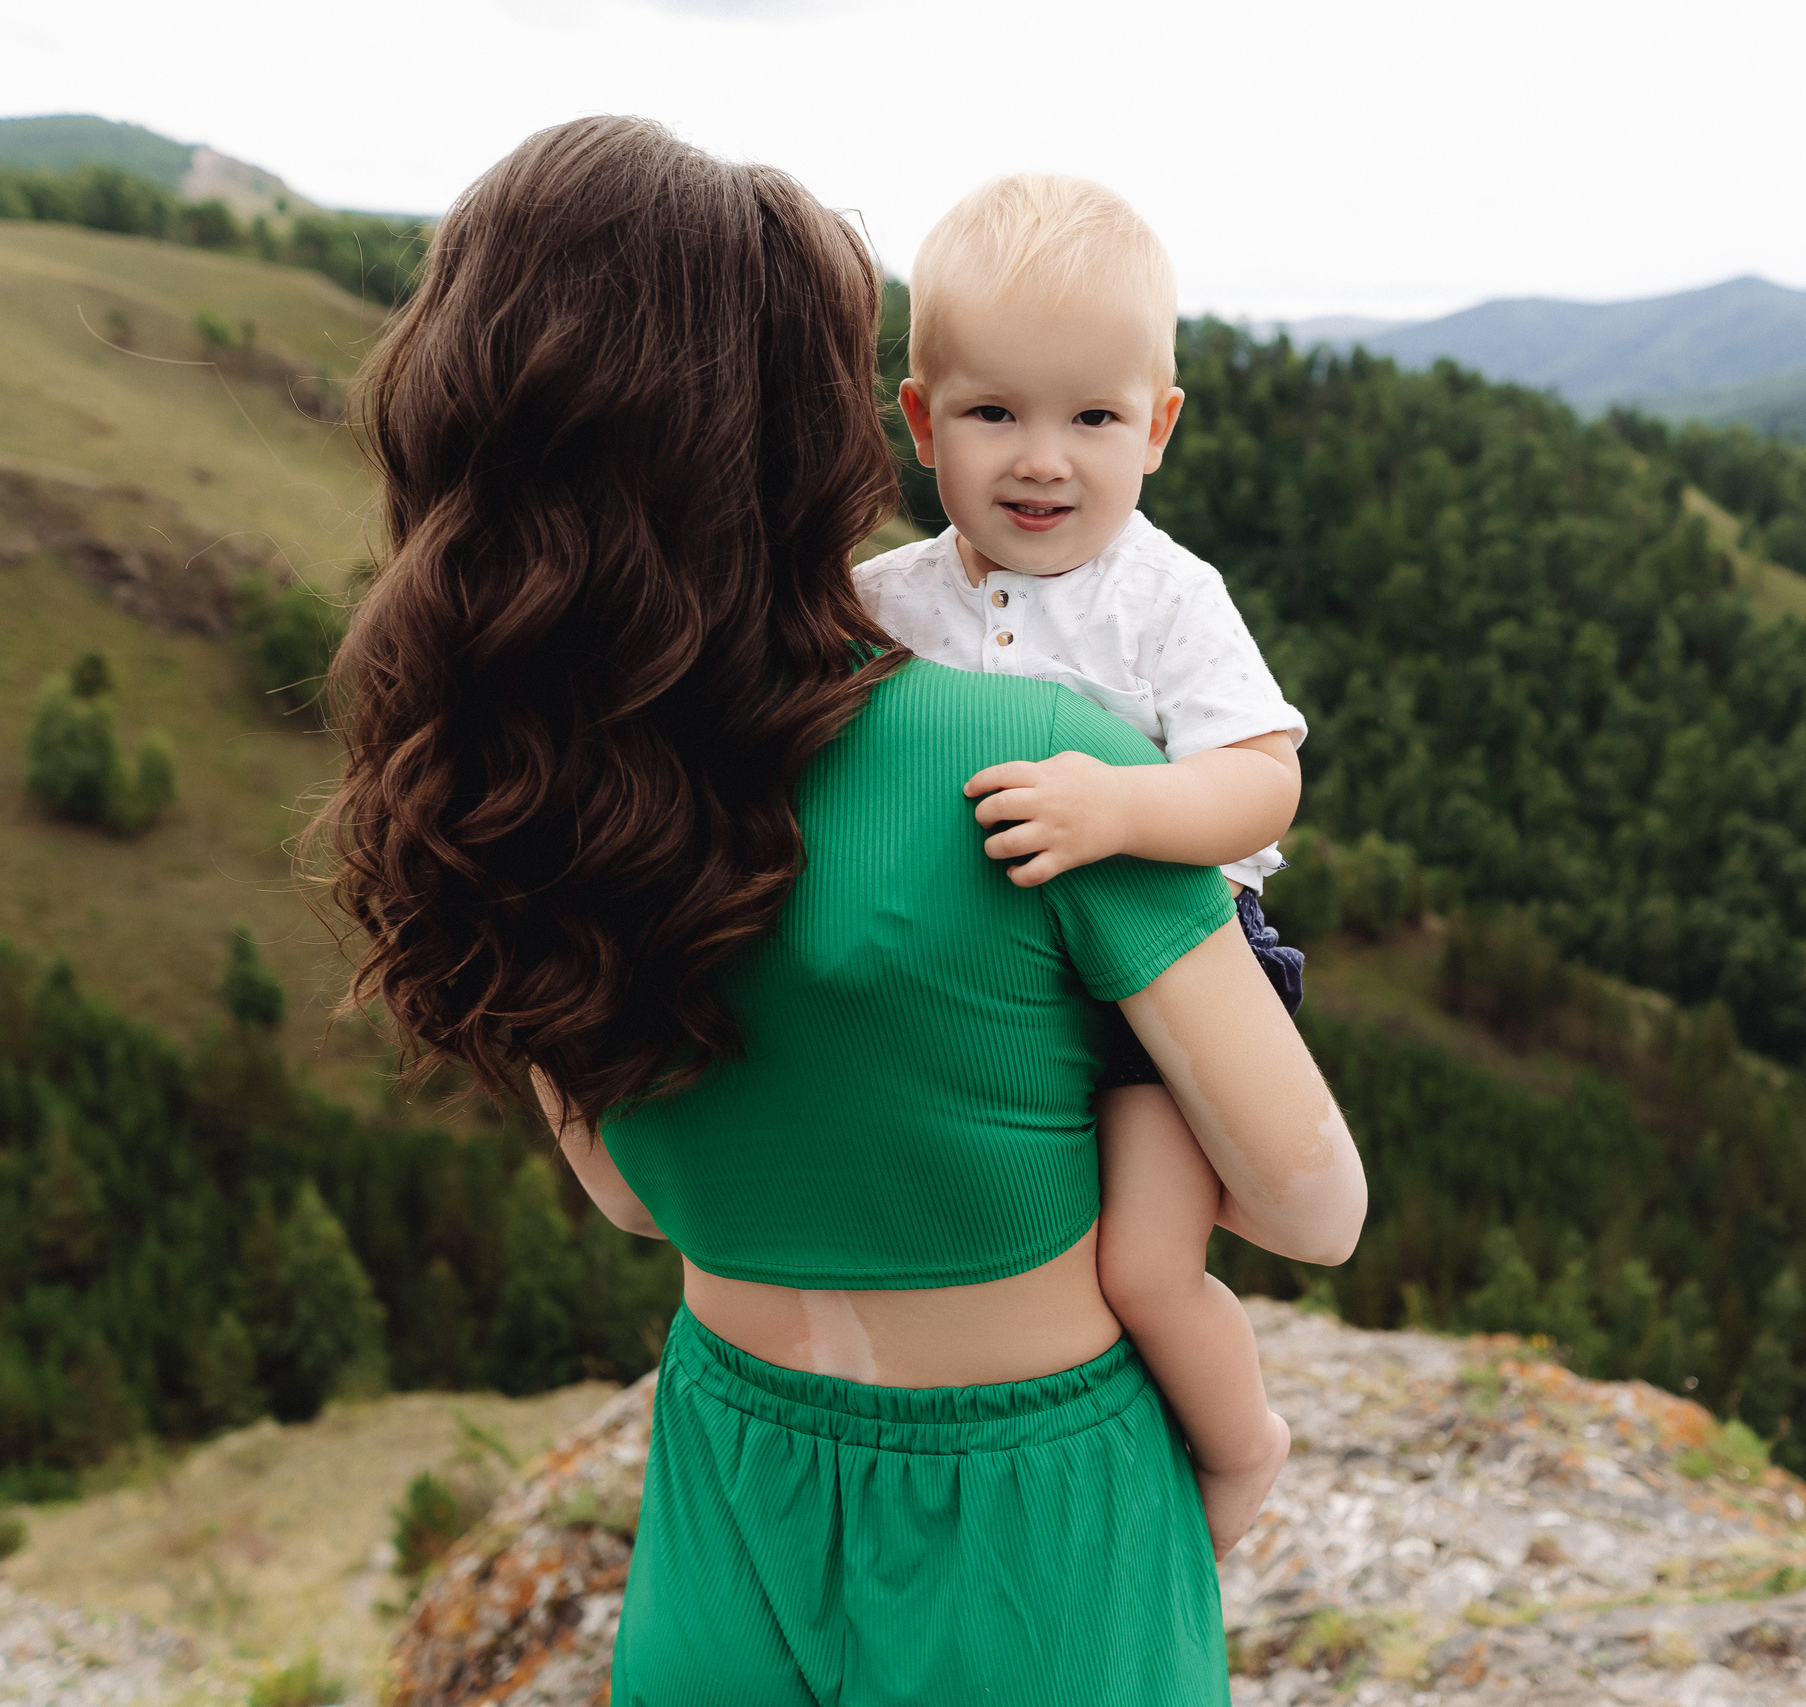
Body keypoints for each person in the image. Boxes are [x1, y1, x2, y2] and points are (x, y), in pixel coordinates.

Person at [314, 116, 1365, 1706]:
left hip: (732, 1472)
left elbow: (636, 1200)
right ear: (816, 435)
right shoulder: (1036, 761)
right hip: (1037, 1519)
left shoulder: (526, 792)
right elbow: (1313, 1211)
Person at [854, 172, 1311, 1561]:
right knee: (1012, 1256)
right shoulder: (882, 602)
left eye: (1094, 419)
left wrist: (1123, 807)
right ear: (922, 420)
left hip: (1169, 982)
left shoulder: (1165, 599)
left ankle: (1240, 1450)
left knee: (1144, 1267)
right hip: (985, 987)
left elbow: (1263, 781)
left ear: (1157, 428)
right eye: (994, 413)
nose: (1042, 460)